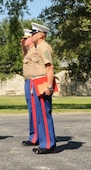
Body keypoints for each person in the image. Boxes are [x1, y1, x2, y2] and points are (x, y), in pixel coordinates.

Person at [23, 22, 57, 154]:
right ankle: (44, 142)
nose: (32, 35)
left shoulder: (44, 47)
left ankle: (48, 144)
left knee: (43, 114)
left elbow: (49, 67)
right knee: (39, 114)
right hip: (35, 82)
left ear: (41, 35)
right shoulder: (37, 48)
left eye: (35, 33)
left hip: (42, 82)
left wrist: (49, 86)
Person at [20, 28, 38, 146]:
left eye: (25, 39)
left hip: (33, 81)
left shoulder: (35, 51)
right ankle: (33, 135)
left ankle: (35, 136)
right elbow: (25, 55)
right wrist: (23, 46)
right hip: (27, 81)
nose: (23, 40)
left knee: (34, 110)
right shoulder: (29, 51)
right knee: (31, 110)